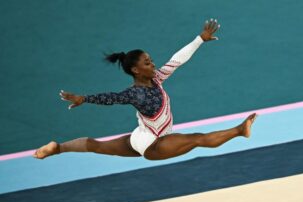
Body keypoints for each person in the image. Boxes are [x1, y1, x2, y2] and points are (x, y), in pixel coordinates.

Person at [33, 19, 257, 160]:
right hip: (154, 144)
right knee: (197, 139)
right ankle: (240, 130)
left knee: (96, 146)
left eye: (151, 60)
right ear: (135, 70)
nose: (153, 64)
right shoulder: (137, 93)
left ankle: (57, 148)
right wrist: (85, 98)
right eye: (147, 63)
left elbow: (177, 60)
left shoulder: (157, 79)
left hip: (139, 137)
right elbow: (113, 98)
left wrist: (199, 40)